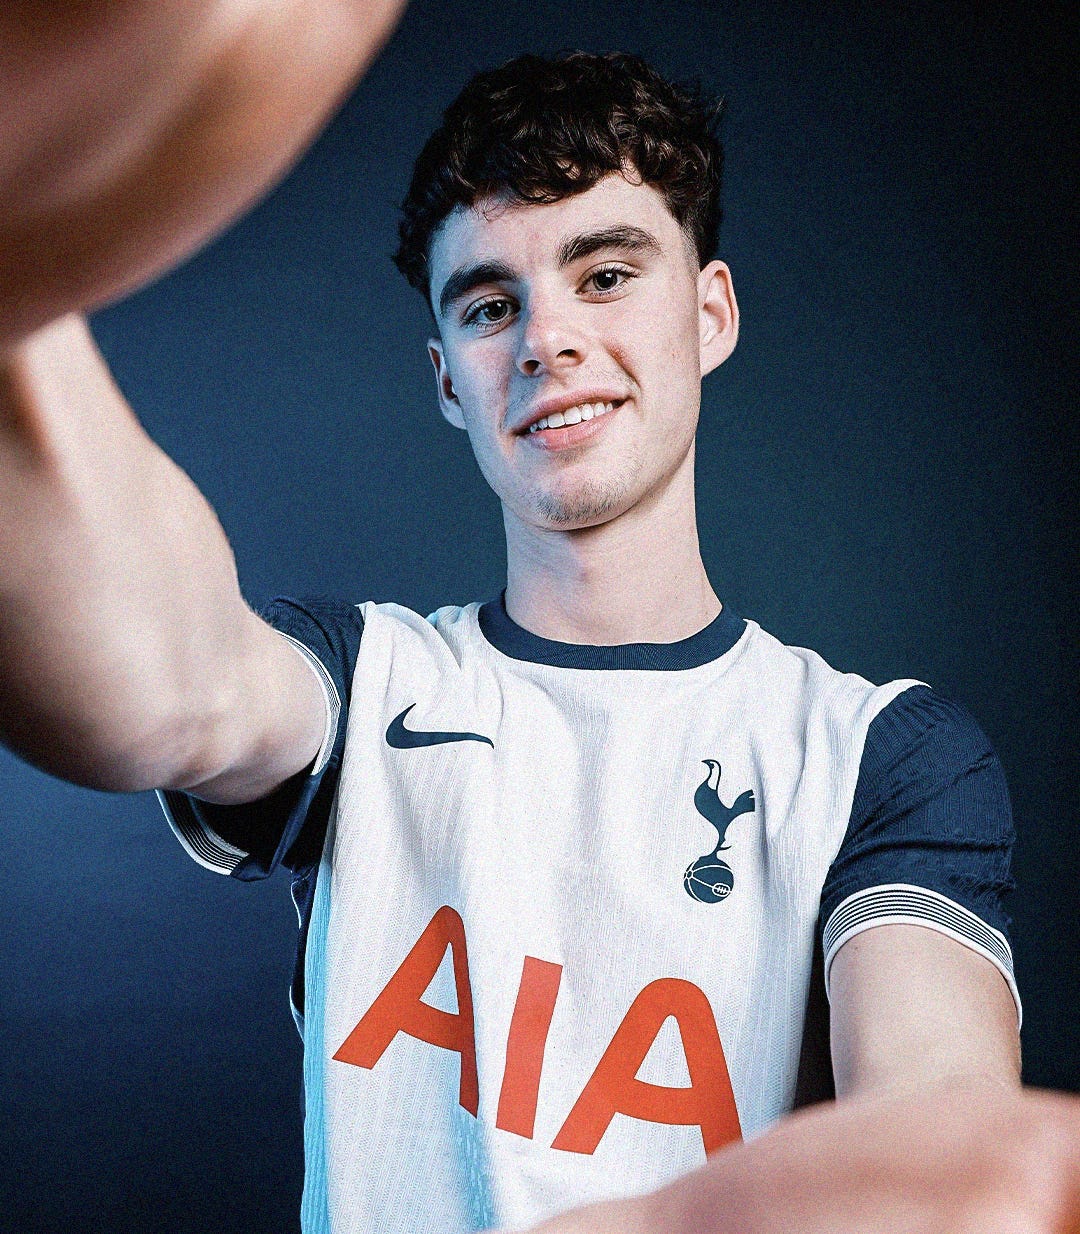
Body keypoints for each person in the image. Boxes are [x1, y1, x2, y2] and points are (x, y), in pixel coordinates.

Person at [1, 6, 1077, 1233]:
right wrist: (26, 277)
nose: (550, 338)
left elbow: (947, 1154)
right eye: (489, 304)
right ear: (446, 380)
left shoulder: (879, 752)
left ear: (710, 314)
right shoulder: (374, 686)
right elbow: (154, 691)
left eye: (606, 274)